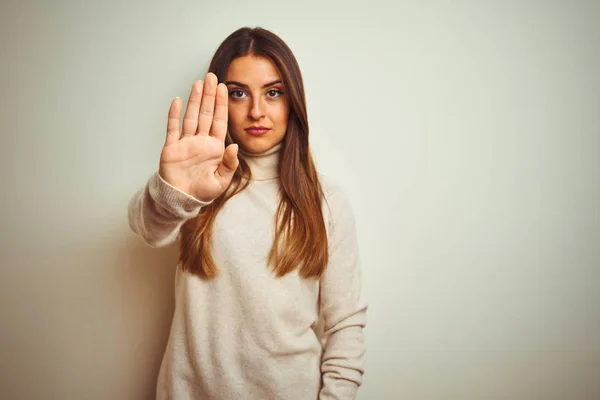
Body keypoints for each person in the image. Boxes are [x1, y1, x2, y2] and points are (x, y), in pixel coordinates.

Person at [128, 26, 367, 400]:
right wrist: (178, 193)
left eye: (273, 93)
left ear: (293, 102)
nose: (257, 111)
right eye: (239, 93)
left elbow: (345, 325)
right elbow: (148, 227)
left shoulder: (327, 201)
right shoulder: (199, 183)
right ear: (221, 101)